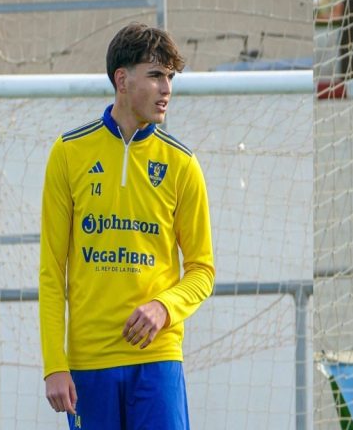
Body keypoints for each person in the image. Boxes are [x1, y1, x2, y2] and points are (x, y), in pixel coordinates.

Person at [39, 22, 214, 429]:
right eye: (155, 75)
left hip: (158, 360)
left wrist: (163, 307)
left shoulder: (182, 164)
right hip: (89, 364)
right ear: (122, 79)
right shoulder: (68, 153)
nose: (166, 89)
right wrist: (54, 364)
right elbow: (52, 271)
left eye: (170, 77)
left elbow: (202, 270)